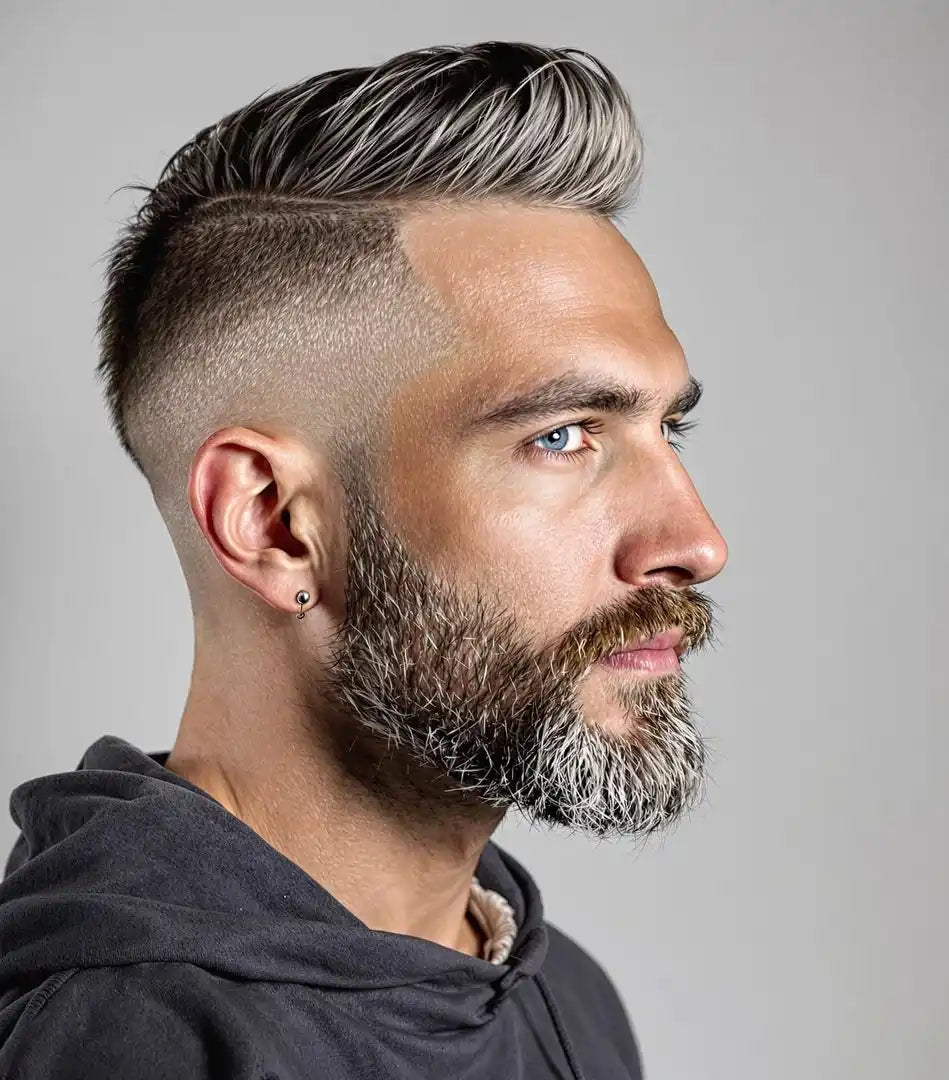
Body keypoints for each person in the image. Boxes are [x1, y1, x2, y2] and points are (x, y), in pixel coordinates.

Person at [0, 40, 727, 1080]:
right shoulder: (132, 1044)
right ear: (273, 523)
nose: (695, 543)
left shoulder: (563, 996)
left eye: (669, 432)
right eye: (563, 435)